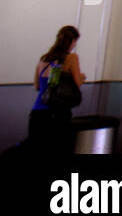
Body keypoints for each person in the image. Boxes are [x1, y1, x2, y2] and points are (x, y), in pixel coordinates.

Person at [28, 25, 84, 154]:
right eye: (75, 41)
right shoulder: (71, 58)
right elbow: (77, 83)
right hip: (58, 115)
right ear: (72, 41)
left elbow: (37, 86)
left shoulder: (44, 59)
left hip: (37, 114)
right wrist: (82, 77)